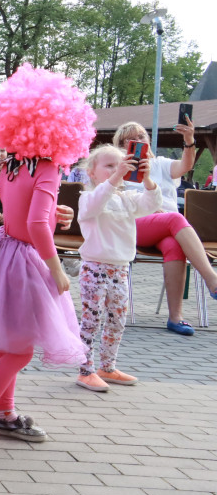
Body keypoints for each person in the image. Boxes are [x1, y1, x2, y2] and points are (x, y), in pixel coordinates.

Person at [0, 64, 95, 454]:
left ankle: (5, 414)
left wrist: (56, 216)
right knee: (19, 349)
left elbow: (27, 214)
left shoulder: (13, 165)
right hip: (26, 261)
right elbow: (36, 223)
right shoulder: (48, 165)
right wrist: (57, 270)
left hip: (3, 251)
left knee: (13, 342)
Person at [111, 121, 217, 335]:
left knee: (174, 245)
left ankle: (175, 318)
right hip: (135, 226)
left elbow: (185, 166)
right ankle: (212, 280)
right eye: (131, 139)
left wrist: (189, 141)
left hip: (166, 228)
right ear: (123, 146)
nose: (139, 141)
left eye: (142, 136)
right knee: (175, 219)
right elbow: (114, 200)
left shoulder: (160, 163)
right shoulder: (119, 168)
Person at [75, 145, 161, 392]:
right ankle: (85, 369)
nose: (117, 170)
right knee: (92, 319)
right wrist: (115, 178)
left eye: (120, 164)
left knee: (117, 320)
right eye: (109, 166)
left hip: (120, 269)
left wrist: (146, 180)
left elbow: (149, 204)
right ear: (92, 172)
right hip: (95, 268)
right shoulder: (88, 197)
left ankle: (107, 366)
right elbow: (95, 204)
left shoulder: (126, 199)